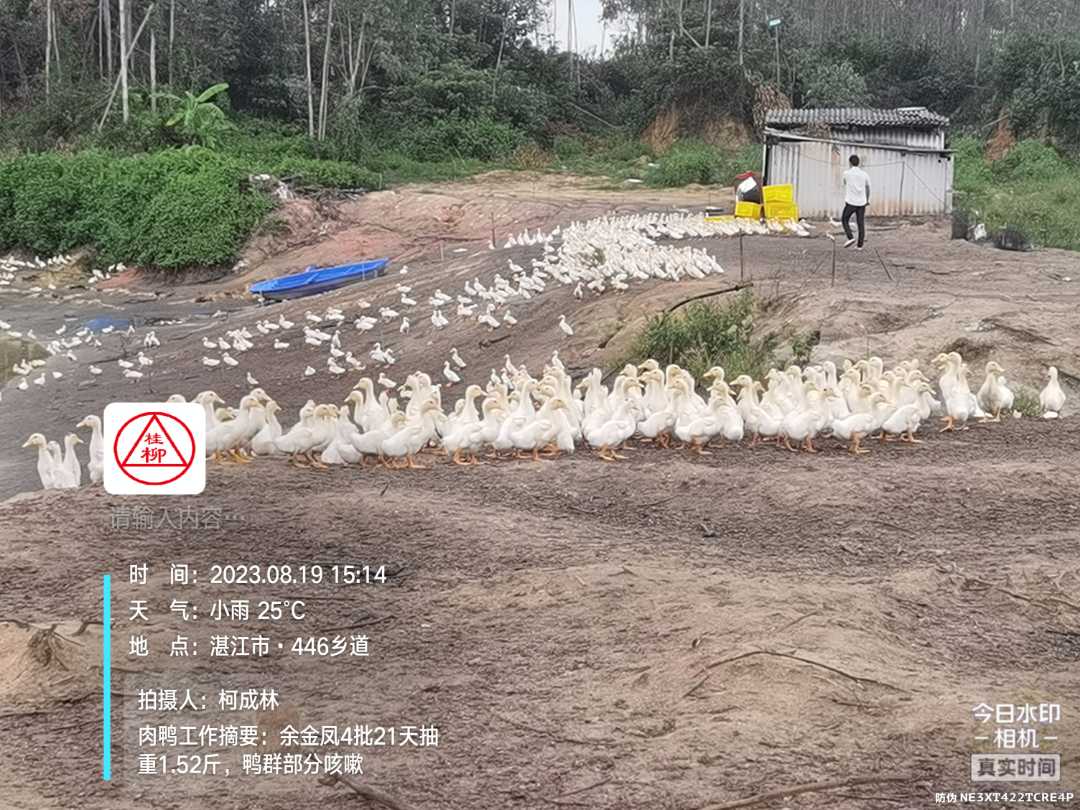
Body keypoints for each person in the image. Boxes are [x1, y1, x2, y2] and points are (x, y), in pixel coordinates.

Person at [841, 155, 871, 250]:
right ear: (859, 163)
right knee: (860, 223)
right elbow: (868, 188)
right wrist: (867, 200)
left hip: (851, 202)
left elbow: (844, 183)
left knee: (844, 219)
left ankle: (850, 237)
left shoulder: (846, 173)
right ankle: (859, 246)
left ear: (850, 163)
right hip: (862, 202)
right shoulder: (864, 174)